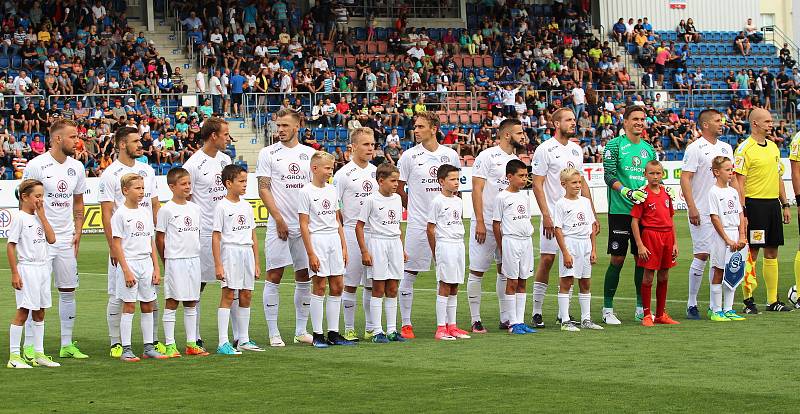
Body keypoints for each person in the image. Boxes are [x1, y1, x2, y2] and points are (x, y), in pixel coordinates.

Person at [20, 119, 88, 360]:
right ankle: (29, 347)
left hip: (66, 238)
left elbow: (78, 202)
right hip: (41, 239)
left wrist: (78, 230)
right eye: (72, 136)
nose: (76, 140)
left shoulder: (77, 168)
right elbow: (25, 201)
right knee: (36, 292)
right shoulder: (37, 165)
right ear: (58, 138)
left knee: (68, 290)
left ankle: (67, 344)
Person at [395, 111, 460, 339]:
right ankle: (406, 323)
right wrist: (411, 207)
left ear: (433, 128)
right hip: (418, 224)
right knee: (409, 273)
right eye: (416, 126)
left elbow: (455, 188)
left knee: (448, 275)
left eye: (421, 126)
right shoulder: (409, 157)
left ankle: (448, 324)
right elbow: (399, 187)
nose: (416, 130)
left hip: (445, 228)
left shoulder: (450, 155)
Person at [530, 108, 596, 328]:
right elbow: (537, 184)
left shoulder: (577, 150)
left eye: (574, 119)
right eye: (568, 120)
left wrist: (592, 215)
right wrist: (545, 215)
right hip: (554, 216)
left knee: (574, 265)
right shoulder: (545, 149)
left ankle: (563, 314)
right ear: (556, 124)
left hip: (575, 219)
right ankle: (537, 311)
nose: (573, 123)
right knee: (547, 260)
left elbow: (582, 183)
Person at [98, 127, 161, 358]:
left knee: (149, 298)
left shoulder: (147, 170)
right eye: (135, 141)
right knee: (119, 296)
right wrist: (113, 248)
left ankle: (151, 342)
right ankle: (117, 342)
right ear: (122, 144)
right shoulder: (111, 174)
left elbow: (155, 204)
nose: (140, 144)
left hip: (144, 242)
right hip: (123, 247)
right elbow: (106, 213)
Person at [257, 109, 317, 347]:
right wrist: (278, 219)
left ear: (297, 126)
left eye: (284, 125)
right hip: (278, 224)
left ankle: (301, 331)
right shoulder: (268, 153)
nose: (280, 130)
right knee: (274, 274)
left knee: (304, 275)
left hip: (305, 226)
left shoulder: (310, 154)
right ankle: (273, 332)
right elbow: (264, 188)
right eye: (278, 125)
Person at [601, 105, 657, 325]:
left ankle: (640, 308)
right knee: (617, 258)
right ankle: (607, 309)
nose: (639, 123)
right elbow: (608, 175)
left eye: (642, 119)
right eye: (635, 119)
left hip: (643, 213)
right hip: (620, 210)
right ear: (625, 122)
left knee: (641, 259)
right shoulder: (614, 146)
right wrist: (624, 190)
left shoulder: (648, 149)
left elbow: (653, 177)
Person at [734, 108, 792, 313]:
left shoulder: (774, 148)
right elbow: (738, 182)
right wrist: (743, 212)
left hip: (772, 206)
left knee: (772, 251)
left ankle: (772, 300)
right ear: (755, 124)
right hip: (754, 206)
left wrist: (785, 204)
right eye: (767, 121)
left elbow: (778, 178)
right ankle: (748, 300)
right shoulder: (744, 149)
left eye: (771, 121)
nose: (771, 124)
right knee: (753, 252)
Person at [467, 118, 522, 333]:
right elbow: (477, 189)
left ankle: (506, 317)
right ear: (507, 135)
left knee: (505, 270)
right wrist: (480, 221)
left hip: (507, 227)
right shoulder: (487, 156)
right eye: (519, 132)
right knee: (478, 270)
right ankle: (475, 319)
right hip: (487, 223)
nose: (522, 136)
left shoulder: (516, 159)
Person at [182, 117, 232, 350]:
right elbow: (187, 199)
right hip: (204, 233)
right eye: (225, 134)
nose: (228, 138)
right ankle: (196, 335)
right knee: (198, 285)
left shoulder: (226, 160)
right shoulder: (193, 164)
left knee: (231, 283)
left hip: (228, 232)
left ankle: (233, 336)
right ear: (213, 136)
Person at [679, 109, 734, 319]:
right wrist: (691, 206)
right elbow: (685, 178)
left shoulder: (726, 148)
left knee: (719, 257)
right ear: (705, 125)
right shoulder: (695, 148)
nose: (722, 123)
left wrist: (739, 205)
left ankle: (715, 306)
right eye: (717, 121)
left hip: (723, 211)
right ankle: (691, 303)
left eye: (722, 120)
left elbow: (734, 178)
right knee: (702, 255)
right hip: (701, 209)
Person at [298, 151, 354, 348]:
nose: (330, 171)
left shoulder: (332, 190)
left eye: (332, 168)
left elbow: (338, 220)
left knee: (338, 285)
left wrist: (344, 246)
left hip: (334, 241)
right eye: (327, 168)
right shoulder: (306, 192)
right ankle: (318, 334)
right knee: (320, 285)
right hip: (318, 240)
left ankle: (333, 332)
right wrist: (311, 252)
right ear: (315, 168)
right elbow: (303, 224)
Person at [110, 173, 167, 361]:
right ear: (126, 191)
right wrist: (125, 270)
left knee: (148, 304)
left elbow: (150, 241)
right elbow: (116, 244)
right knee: (129, 306)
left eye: (143, 188)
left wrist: (156, 267)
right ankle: (126, 348)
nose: (141, 192)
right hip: (130, 263)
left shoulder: (145, 212)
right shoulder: (120, 214)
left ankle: (148, 346)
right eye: (137, 188)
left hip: (146, 264)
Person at [154, 168, 209, 358]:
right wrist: (166, 260)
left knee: (192, 301)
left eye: (189, 183)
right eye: (183, 184)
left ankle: (192, 343)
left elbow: (198, 234)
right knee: (172, 301)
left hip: (194, 259)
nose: (187, 187)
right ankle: (170, 344)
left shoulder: (195, 208)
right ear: (172, 186)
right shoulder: (166, 209)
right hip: (175, 261)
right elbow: (159, 238)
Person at [7, 179, 59, 368]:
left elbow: (52, 239)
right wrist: (15, 273)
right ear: (24, 197)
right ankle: (14, 356)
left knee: (40, 311)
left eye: (42, 196)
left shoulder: (40, 217)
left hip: (43, 268)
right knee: (23, 311)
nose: (40, 200)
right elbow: (10, 247)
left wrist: (43, 216)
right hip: (27, 268)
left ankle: (39, 353)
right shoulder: (20, 218)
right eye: (37, 196)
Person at [212, 164, 264, 355]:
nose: (244, 185)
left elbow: (253, 235)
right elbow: (216, 236)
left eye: (245, 181)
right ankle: (223, 342)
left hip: (246, 253)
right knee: (228, 294)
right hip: (230, 252)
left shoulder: (246, 206)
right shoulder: (221, 206)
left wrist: (257, 262)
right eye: (241, 181)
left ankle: (243, 339)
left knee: (246, 295)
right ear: (228, 183)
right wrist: (218, 264)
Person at [332, 127, 377, 341]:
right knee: (350, 282)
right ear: (354, 147)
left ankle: (370, 327)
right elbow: (334, 207)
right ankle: (349, 327)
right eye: (366, 144)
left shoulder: (377, 172)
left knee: (372, 282)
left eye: (372, 144)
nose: (371, 148)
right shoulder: (343, 175)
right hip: (351, 232)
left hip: (374, 233)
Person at [356, 163, 407, 343]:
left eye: (397, 181)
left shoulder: (397, 199)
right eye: (393, 181)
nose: (396, 184)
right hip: (377, 243)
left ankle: (392, 330)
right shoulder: (371, 200)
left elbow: (398, 226)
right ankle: (377, 331)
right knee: (378, 288)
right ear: (381, 181)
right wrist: (364, 251)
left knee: (393, 288)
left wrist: (402, 248)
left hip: (394, 244)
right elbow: (359, 226)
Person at [553, 168, 603, 332]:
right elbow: (558, 230)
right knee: (567, 281)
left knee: (585, 281)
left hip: (585, 245)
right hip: (571, 244)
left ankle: (586, 319)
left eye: (579, 182)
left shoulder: (585, 202)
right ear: (563, 184)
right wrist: (566, 252)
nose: (577, 185)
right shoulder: (561, 204)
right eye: (573, 182)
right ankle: (565, 320)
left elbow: (591, 227)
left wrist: (593, 249)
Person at [630, 161, 679, 326]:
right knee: (649, 276)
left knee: (664, 274)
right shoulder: (642, 194)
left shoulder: (667, 193)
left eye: (658, 173)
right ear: (645, 174)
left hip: (667, 237)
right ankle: (646, 315)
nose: (655, 176)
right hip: (650, 236)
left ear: (662, 174)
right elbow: (634, 222)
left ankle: (660, 314)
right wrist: (640, 245)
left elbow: (671, 219)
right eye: (651, 173)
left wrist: (675, 243)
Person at [492, 159, 537, 335]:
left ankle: (520, 320)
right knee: (512, 281)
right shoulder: (501, 197)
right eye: (521, 176)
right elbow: (496, 224)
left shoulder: (524, 196)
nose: (524, 179)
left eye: (526, 176)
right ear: (509, 177)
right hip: (510, 241)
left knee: (523, 280)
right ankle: (511, 323)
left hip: (526, 241)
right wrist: (501, 246)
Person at [428, 164, 471, 341]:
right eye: (452, 179)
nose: (456, 183)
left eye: (457, 179)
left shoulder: (459, 200)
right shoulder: (437, 201)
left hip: (458, 244)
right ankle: (440, 328)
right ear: (441, 181)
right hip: (445, 245)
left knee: (455, 285)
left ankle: (452, 326)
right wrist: (435, 252)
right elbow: (430, 229)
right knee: (445, 285)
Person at [707, 156, 748, 321]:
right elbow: (714, 217)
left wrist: (742, 235)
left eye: (731, 169)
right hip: (721, 236)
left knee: (734, 270)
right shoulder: (713, 192)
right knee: (719, 270)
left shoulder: (732, 191)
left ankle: (729, 308)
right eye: (727, 170)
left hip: (736, 234)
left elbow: (740, 214)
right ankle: (716, 310)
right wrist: (726, 239)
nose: (731, 173)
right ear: (717, 172)